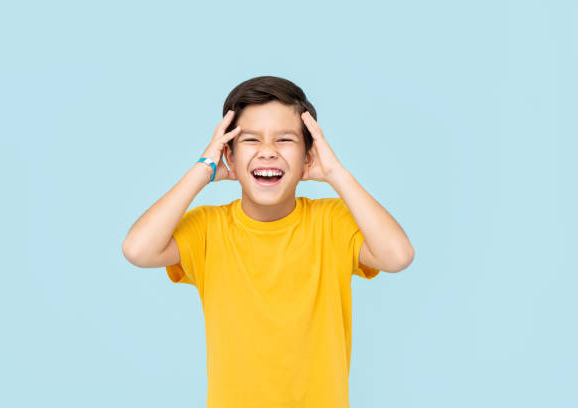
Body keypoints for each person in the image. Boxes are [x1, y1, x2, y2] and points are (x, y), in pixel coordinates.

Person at [122, 75, 414, 407]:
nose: (268, 152)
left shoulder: (332, 222)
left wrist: (337, 174)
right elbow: (137, 249)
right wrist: (202, 170)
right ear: (229, 155)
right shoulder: (208, 229)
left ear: (308, 156)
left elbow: (398, 256)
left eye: (285, 140)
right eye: (251, 140)